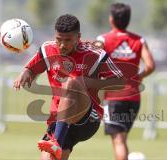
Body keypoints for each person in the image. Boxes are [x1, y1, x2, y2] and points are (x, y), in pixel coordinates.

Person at [13, 14, 126, 160]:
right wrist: (25, 72)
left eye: (68, 40)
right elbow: (31, 68)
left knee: (71, 82)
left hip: (87, 118)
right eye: (58, 39)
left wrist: (87, 82)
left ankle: (56, 142)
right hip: (58, 119)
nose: (62, 45)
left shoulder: (95, 55)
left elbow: (120, 82)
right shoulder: (47, 49)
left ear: (78, 37)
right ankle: (57, 143)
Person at [96, 3, 155, 160]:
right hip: (133, 98)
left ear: (111, 19)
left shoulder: (103, 40)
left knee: (118, 140)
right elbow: (150, 66)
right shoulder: (139, 41)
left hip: (114, 98)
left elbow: (92, 62)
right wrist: (140, 76)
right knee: (122, 138)